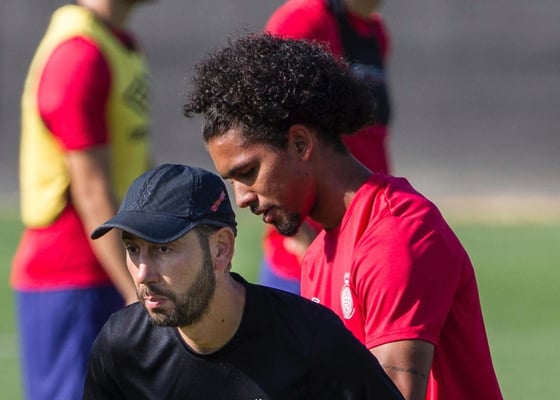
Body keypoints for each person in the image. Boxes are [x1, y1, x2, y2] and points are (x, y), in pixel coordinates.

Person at [183, 33, 503, 400]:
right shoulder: (319, 256)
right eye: (233, 181)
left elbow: (392, 395)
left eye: (248, 172)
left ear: (300, 143)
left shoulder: (397, 235)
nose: (242, 198)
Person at [83, 163, 404, 400]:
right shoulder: (120, 347)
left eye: (163, 249)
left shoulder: (311, 341)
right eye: (133, 249)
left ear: (221, 249)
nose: (142, 273)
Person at [11, 0, 155, 398]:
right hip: (76, 278)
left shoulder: (115, 43)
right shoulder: (79, 56)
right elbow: (91, 188)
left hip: (112, 267)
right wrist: (135, 290)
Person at [260, 0, 393, 293]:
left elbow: (371, 140)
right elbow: (267, 124)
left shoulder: (375, 32)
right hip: (311, 261)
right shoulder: (304, 20)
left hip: (365, 243)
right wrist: (299, 232)